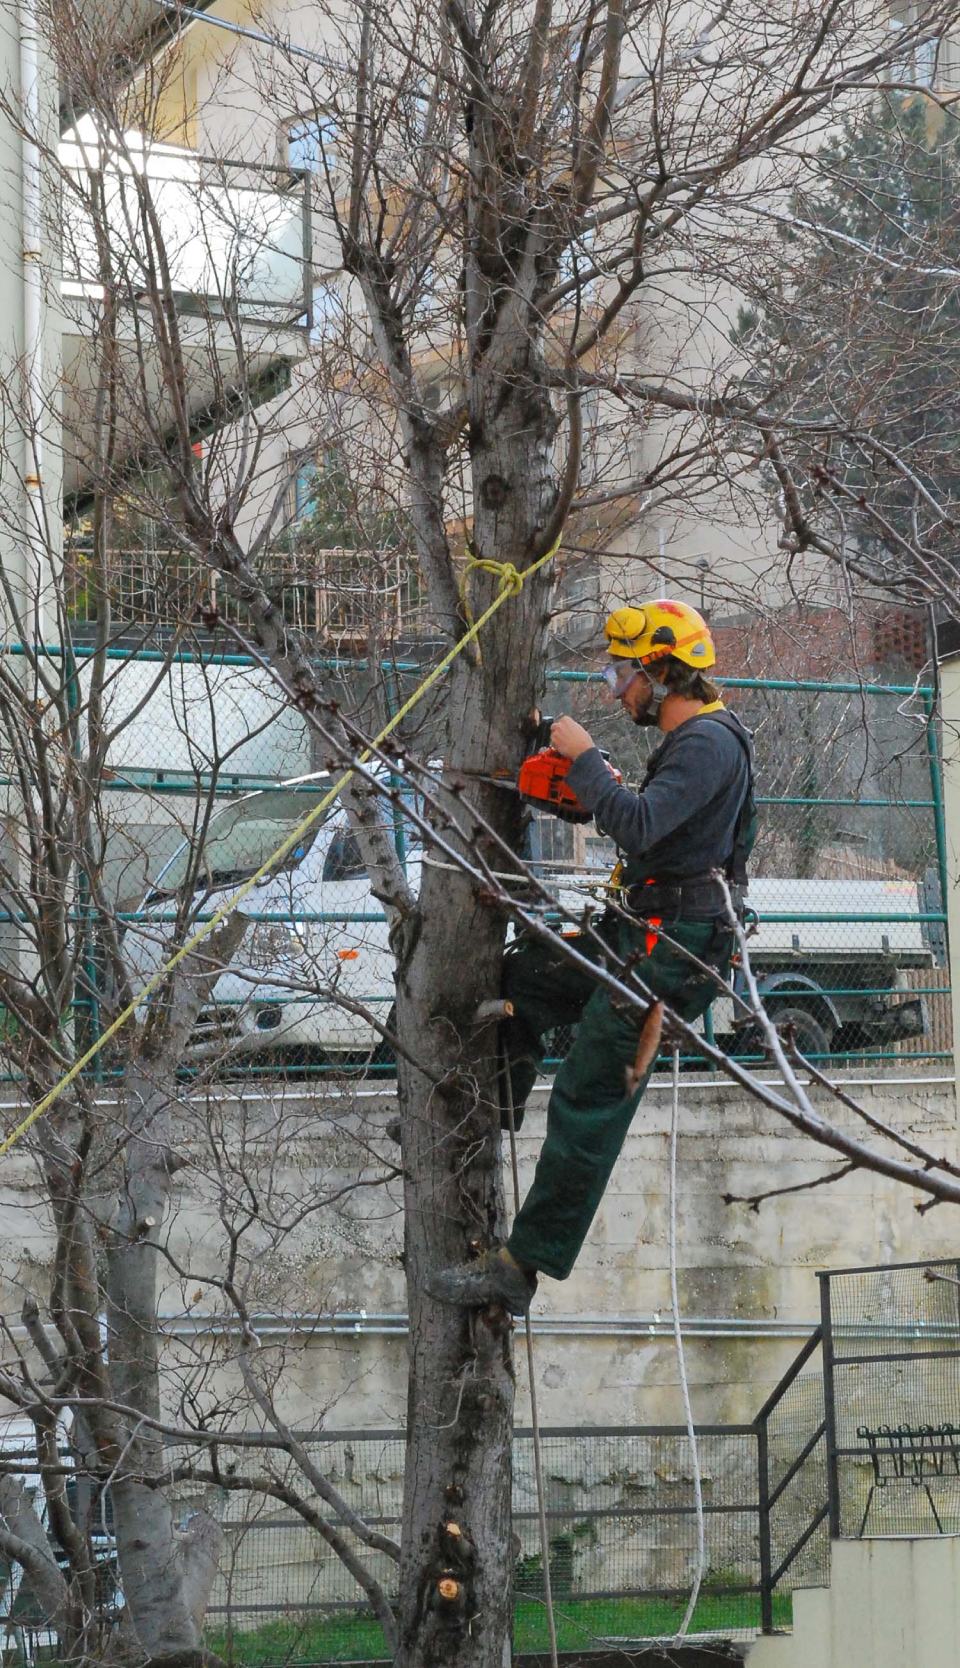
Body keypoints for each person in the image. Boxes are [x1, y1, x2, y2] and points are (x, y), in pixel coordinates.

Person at [426, 598, 756, 1315]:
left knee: (589, 1095)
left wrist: (583, 762)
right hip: (641, 928)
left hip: (672, 949)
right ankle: (488, 1110)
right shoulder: (695, 743)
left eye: (621, 674)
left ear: (662, 671)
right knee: (524, 976)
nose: (614, 688)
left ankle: (521, 1267)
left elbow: (639, 827)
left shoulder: (707, 744)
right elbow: (656, 824)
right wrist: (582, 786)